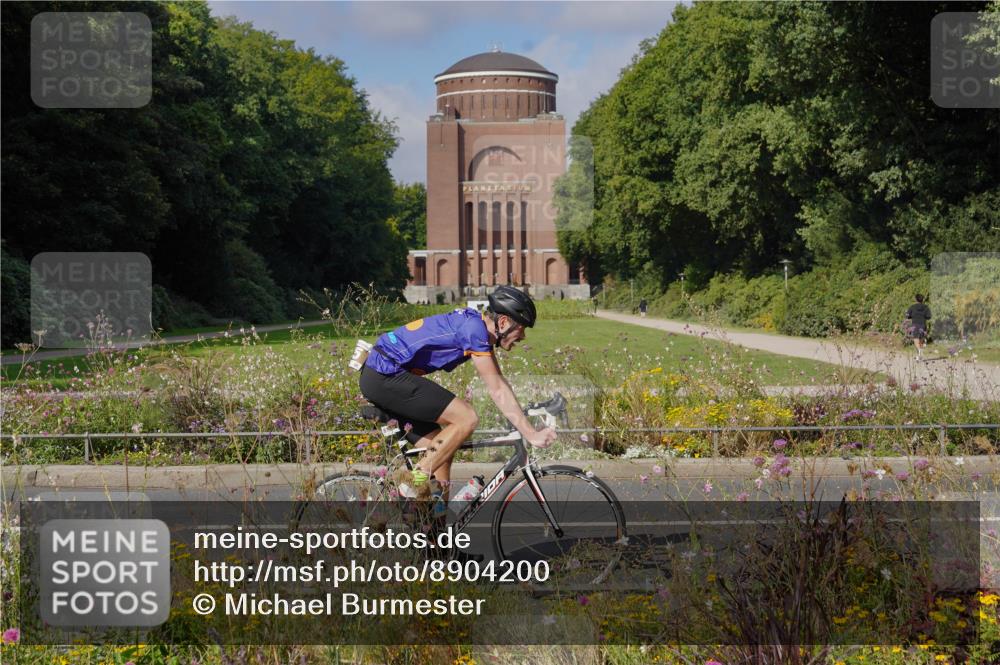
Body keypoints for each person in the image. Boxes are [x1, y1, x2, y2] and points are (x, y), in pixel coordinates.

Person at [359, 285, 557, 502]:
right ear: (503, 323)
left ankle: (434, 523)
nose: (523, 336)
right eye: (522, 328)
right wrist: (530, 433)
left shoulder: (476, 329)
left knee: (442, 453)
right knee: (467, 417)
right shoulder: (474, 330)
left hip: (383, 375)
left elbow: (499, 383)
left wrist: (523, 420)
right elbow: (497, 390)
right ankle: (413, 480)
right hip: (384, 374)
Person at [905, 293, 932, 359]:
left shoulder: (912, 307)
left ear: (916, 299)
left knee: (916, 339)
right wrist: (924, 317)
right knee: (921, 339)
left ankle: (919, 351)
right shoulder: (926, 307)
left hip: (915, 325)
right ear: (922, 299)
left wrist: (911, 316)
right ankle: (919, 355)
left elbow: (907, 316)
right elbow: (929, 316)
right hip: (923, 325)